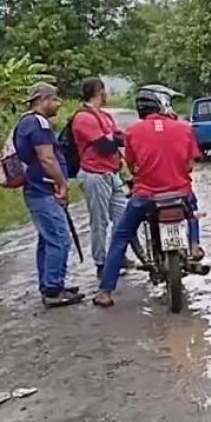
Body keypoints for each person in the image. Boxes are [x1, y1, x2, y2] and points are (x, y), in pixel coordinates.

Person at [93, 87, 203, 308]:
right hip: (179, 192)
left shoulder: (132, 132)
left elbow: (132, 165)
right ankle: (194, 245)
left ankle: (105, 292)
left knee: (121, 236)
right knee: (192, 210)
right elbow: (191, 164)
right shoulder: (184, 129)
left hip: (145, 195)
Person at [15, 82, 84, 307]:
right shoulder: (39, 125)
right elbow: (47, 158)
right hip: (44, 189)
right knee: (60, 238)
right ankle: (54, 289)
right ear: (42, 100)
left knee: (47, 239)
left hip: (37, 189)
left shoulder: (27, 122)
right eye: (54, 99)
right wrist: (62, 183)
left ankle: (50, 284)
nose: (58, 103)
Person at [72, 77, 133, 278]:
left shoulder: (105, 116)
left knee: (122, 219)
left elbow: (120, 139)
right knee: (99, 222)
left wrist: (113, 138)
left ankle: (118, 256)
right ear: (99, 92)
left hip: (113, 173)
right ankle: (100, 263)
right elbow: (104, 146)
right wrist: (113, 139)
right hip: (95, 174)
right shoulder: (83, 118)